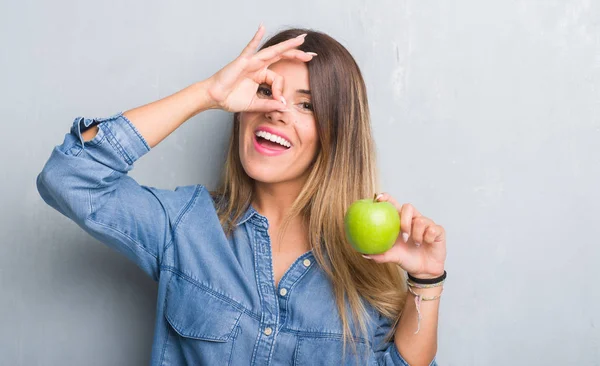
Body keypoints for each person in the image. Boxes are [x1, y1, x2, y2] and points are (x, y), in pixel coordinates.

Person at [36, 24, 447, 366]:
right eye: (267, 91)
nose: (277, 110)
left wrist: (427, 279)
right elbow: (71, 175)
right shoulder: (186, 225)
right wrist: (207, 94)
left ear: (336, 135)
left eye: (307, 106)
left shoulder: (364, 267)